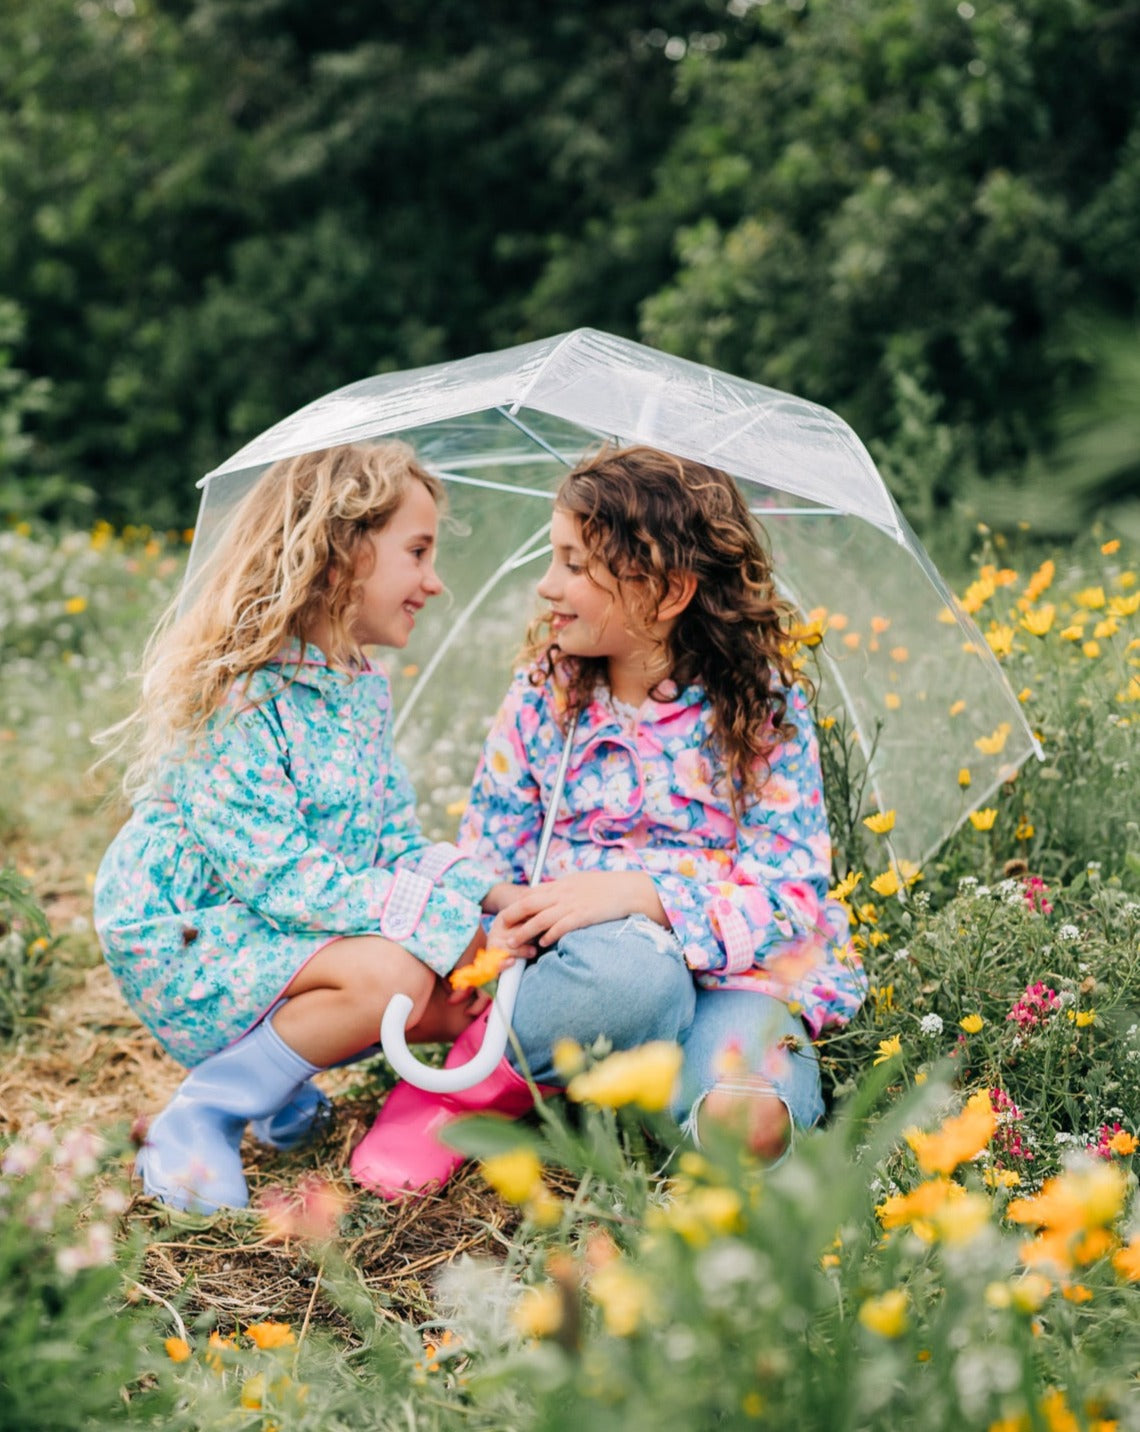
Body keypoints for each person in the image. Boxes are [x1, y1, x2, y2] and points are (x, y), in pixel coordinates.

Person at [349, 444, 867, 1199]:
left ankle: (642, 1098)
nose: (546, 584)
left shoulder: (763, 709)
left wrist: (647, 895)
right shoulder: (545, 698)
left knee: (748, 1126)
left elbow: (792, 893)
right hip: (593, 974)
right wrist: (508, 912)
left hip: (738, 983)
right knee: (632, 981)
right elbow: (488, 857)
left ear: (666, 593)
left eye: (575, 565)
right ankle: (456, 1089)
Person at [94, 441, 518, 1215]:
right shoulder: (242, 697)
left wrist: (491, 896)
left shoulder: (357, 687)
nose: (435, 580)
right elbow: (285, 882)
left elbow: (394, 843)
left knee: (458, 991)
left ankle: (277, 1084)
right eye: (416, 552)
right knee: (393, 978)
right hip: (189, 932)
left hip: (269, 926)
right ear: (339, 555)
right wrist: (436, 923)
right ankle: (204, 1112)